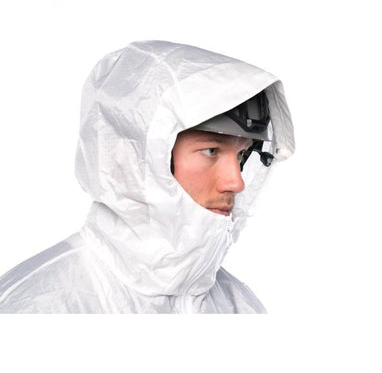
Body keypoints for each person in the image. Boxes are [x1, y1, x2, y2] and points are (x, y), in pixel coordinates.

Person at [0, 40, 295, 313]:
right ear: (131, 159)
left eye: (241, 155)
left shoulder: (239, 306)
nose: (236, 182)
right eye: (211, 151)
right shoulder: (42, 305)